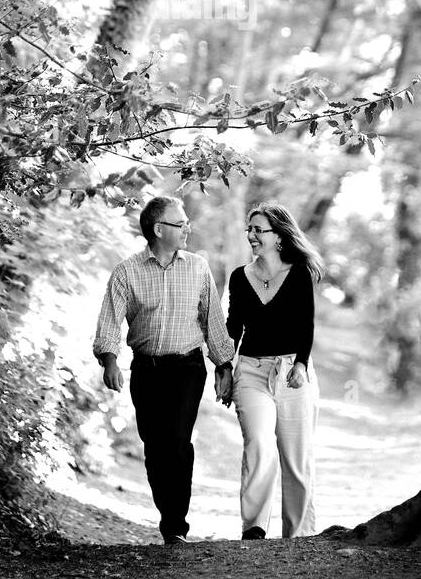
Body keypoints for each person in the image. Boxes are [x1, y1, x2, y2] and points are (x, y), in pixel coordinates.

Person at [93, 196, 234, 545]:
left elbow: (212, 321)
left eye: (186, 222)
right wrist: (110, 360)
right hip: (147, 369)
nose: (188, 228)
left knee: (177, 442)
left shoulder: (198, 267)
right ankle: (167, 515)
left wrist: (224, 364)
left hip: (187, 367)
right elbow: (110, 319)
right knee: (155, 447)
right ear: (159, 229)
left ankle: (175, 525)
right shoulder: (127, 271)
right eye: (180, 223)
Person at [225, 201, 322, 540]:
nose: (251, 235)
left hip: (292, 371)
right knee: (259, 443)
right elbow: (233, 327)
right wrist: (224, 366)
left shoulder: (298, 274)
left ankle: (297, 534)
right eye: (249, 229)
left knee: (296, 458)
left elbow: (306, 325)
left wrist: (301, 364)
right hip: (251, 372)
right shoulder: (240, 277)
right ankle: (254, 527)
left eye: (258, 230)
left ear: (278, 237)